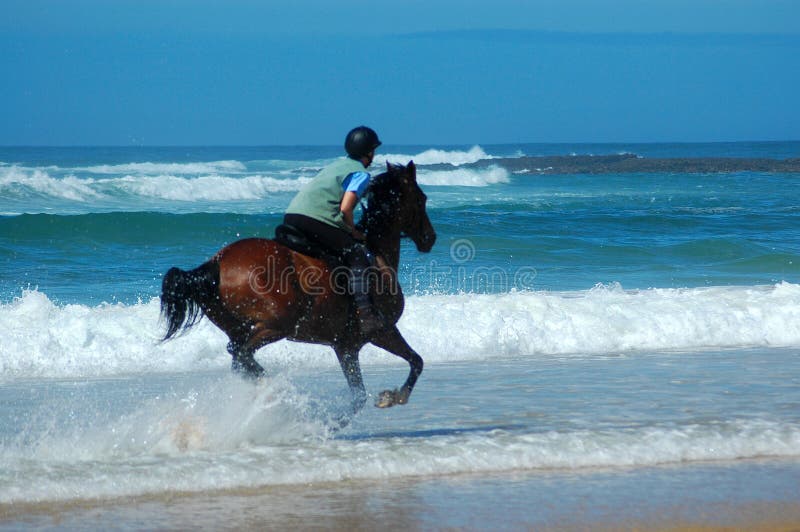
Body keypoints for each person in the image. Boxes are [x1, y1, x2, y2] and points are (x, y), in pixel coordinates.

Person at [283, 126, 385, 335]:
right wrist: (354, 231)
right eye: (373, 150)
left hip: (292, 214)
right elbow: (346, 208)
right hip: (316, 218)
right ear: (369, 152)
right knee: (357, 255)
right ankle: (366, 315)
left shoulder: (337, 164)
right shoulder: (361, 173)